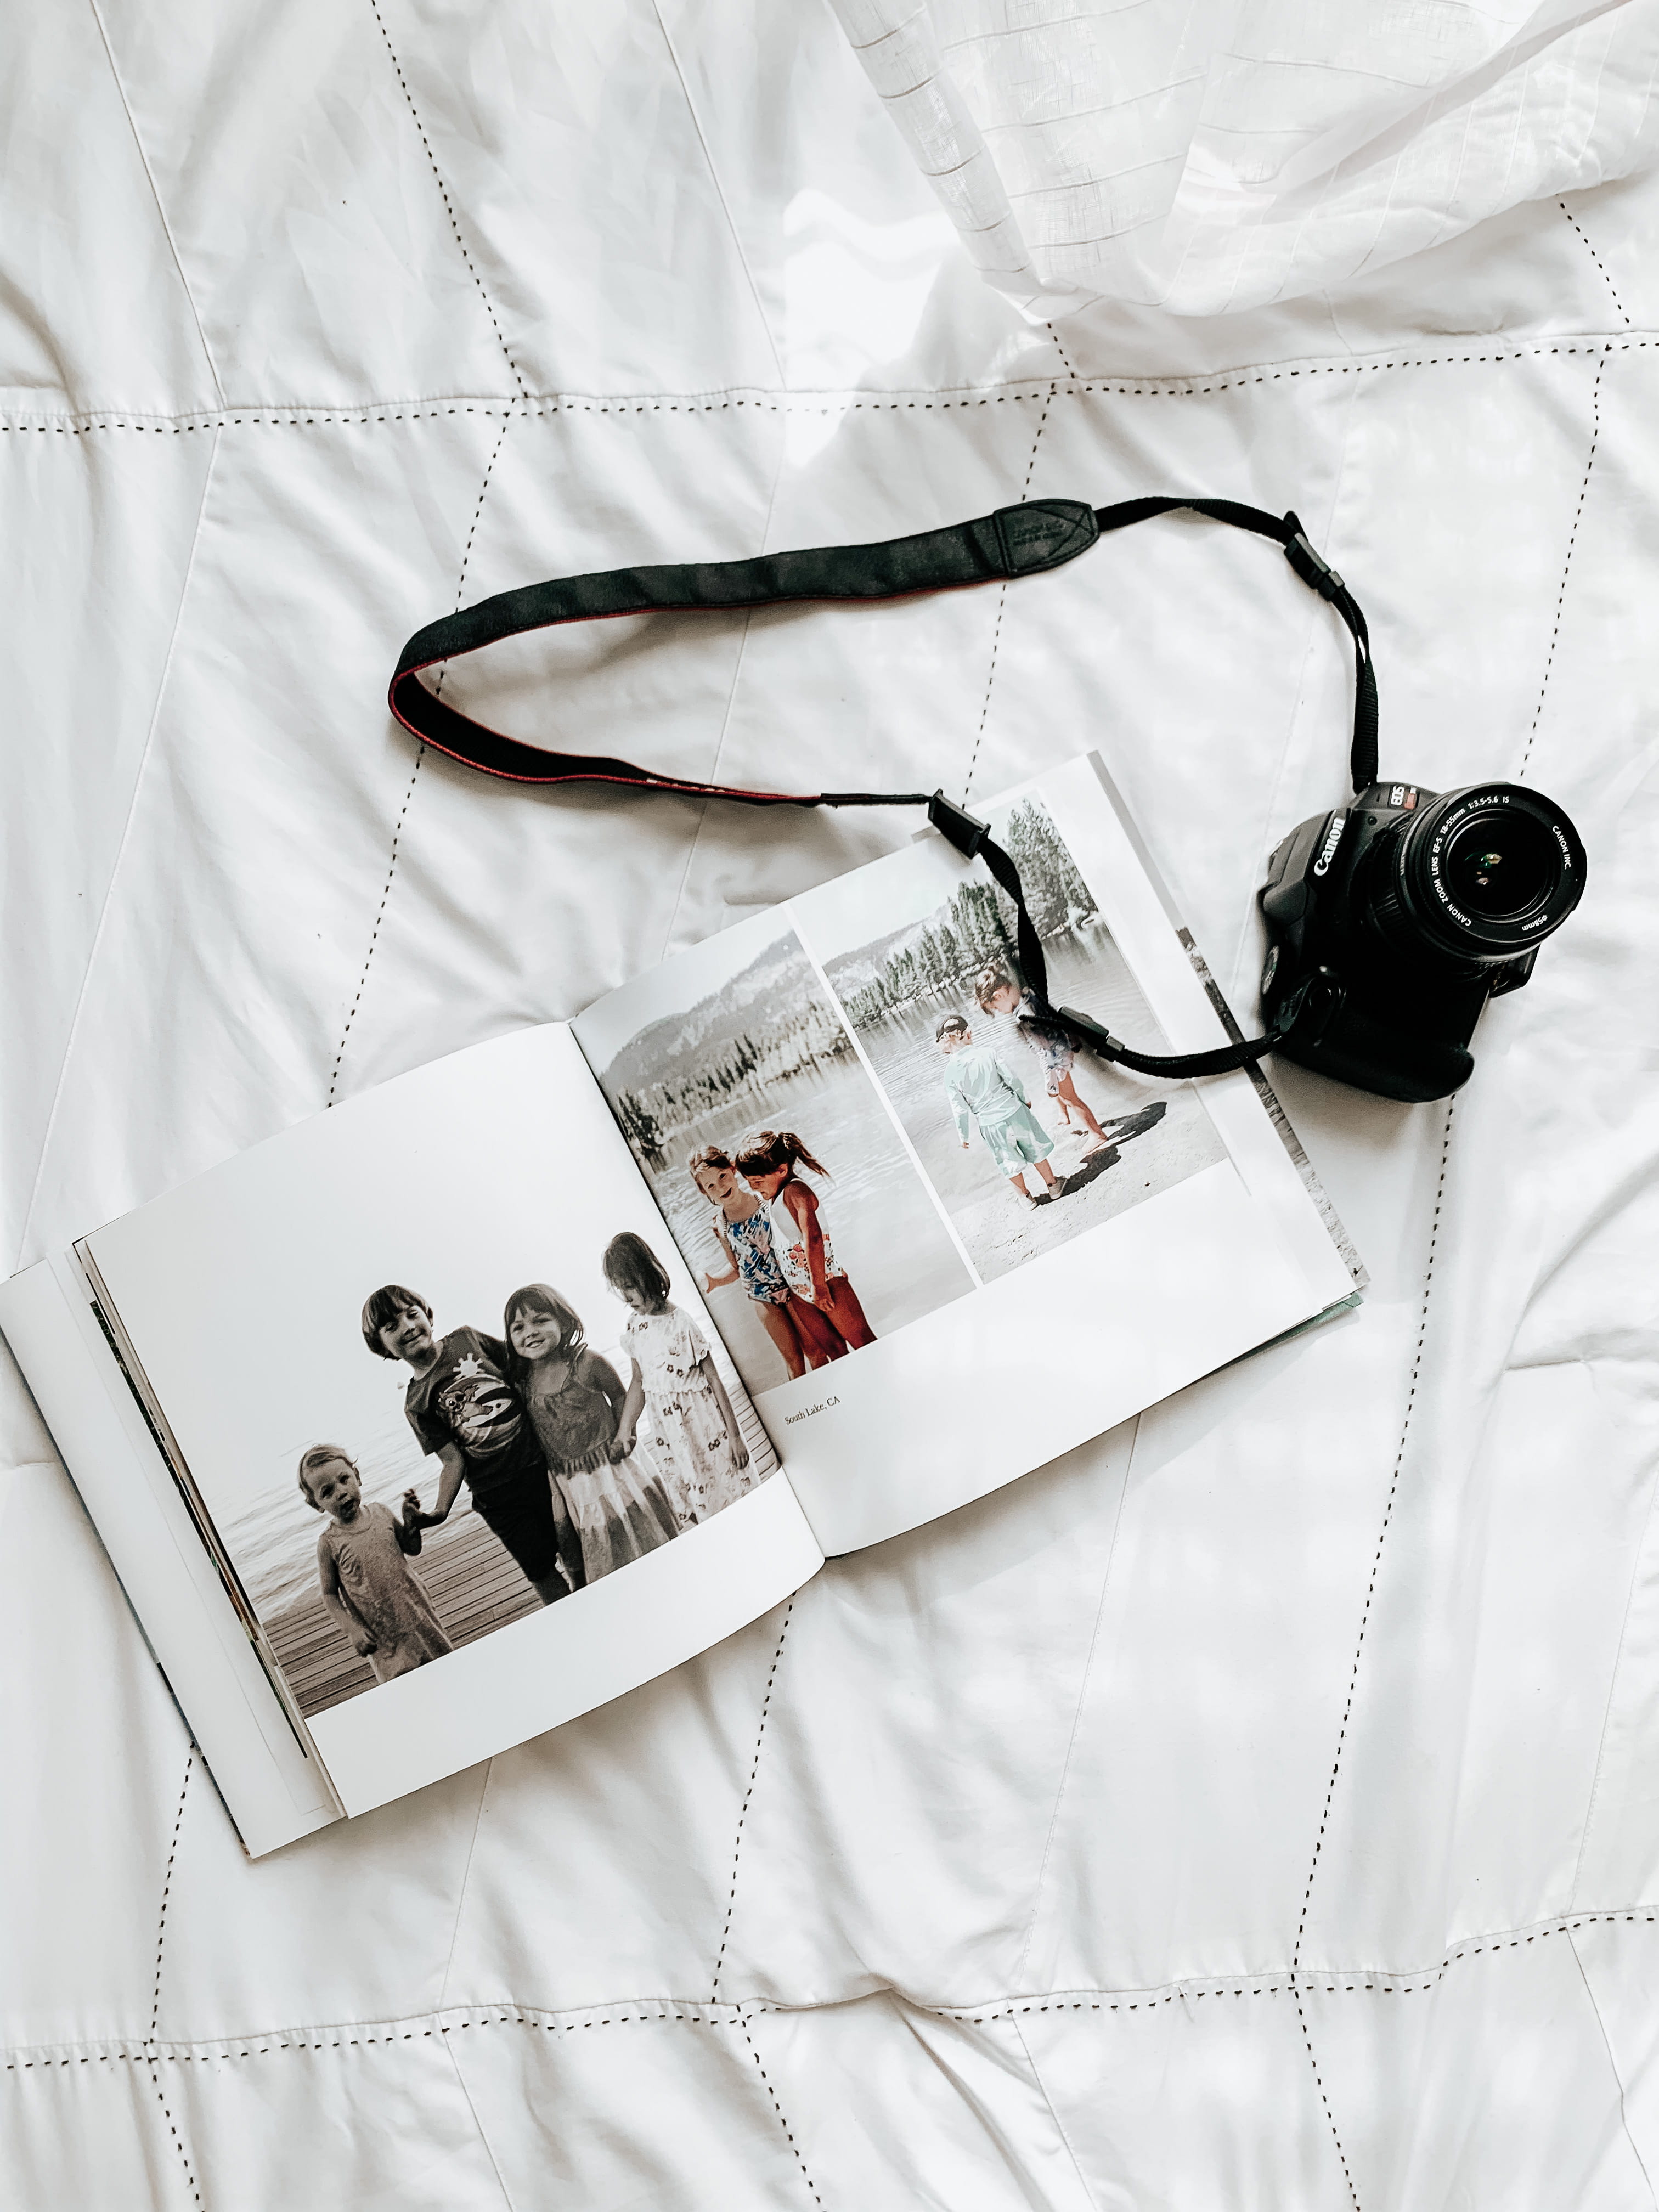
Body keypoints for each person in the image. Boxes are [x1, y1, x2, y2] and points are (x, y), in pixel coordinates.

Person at [361, 1284, 583, 1606]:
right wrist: (439, 1510)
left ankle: (592, 1599)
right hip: (499, 1497)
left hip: (544, 1466)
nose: (408, 1327)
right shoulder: (416, 1404)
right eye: (392, 1326)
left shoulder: (467, 1339)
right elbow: (453, 1461)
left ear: (428, 1316)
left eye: (412, 1314)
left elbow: (522, 1369)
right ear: (382, 1346)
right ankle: (571, 1616)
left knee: (575, 1547)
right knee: (539, 1570)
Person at [501, 1281, 682, 1581]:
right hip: (572, 1479)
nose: (529, 1332)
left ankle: (664, 1573)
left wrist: (626, 1433)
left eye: (540, 1320)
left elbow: (620, 1395)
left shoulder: (586, 1363)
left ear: (564, 1320)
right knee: (601, 1538)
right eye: (518, 1327)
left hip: (613, 1466)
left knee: (641, 1526)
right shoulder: (521, 1381)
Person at [602, 1232, 755, 1522]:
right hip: (671, 1433)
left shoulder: (681, 1323)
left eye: (631, 1287)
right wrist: (625, 1431)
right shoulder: (635, 1326)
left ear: (648, 1275)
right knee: (695, 1496)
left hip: (704, 1425)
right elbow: (638, 1383)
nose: (627, 1297)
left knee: (728, 1486)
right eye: (622, 1290)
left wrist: (735, 1437)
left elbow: (714, 1379)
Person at [297, 1444, 452, 1684]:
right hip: (383, 1634)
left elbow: (412, 1548)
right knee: (405, 1687)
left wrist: (411, 1522)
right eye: (328, 1492)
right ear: (317, 1504)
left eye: (344, 1480)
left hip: (416, 1612)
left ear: (357, 1477)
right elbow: (329, 1594)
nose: (341, 1492)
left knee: (446, 1667)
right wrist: (353, 1630)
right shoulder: (329, 1544)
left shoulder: (381, 1512)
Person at [689, 1146, 847, 1378]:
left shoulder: (766, 1203)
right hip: (761, 1295)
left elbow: (800, 1242)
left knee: (814, 1350)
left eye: (722, 1176)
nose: (721, 1187)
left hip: (793, 1286)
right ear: (706, 1194)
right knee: (793, 1360)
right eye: (711, 1186)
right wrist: (713, 1281)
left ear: (733, 1170)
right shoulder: (721, 1226)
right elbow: (737, 1268)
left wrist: (826, 1273)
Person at [732, 1127, 876, 1351]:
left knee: (864, 1342)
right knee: (834, 1350)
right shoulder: (774, 1196)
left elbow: (814, 1237)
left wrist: (819, 1286)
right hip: (800, 1290)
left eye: (758, 1181)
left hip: (826, 1281)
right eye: (749, 1182)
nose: (753, 1188)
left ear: (782, 1169)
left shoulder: (795, 1191)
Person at [975, 961, 1110, 1147]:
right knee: (1061, 1093)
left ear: (998, 996)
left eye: (996, 1008)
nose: (1000, 1012)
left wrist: (1050, 1076)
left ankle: (1097, 1134)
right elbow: (1054, 1015)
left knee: (1070, 1097)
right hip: (1063, 1049)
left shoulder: (1024, 1017)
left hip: (1056, 1059)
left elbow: (1044, 1049)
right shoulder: (1029, 996)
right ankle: (1066, 1116)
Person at [937, 1014, 1064, 1210]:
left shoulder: (949, 1074)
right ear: (965, 1034)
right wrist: (1025, 1099)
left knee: (1007, 1159)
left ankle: (1026, 1198)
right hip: (1013, 1109)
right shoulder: (988, 1052)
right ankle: (1053, 1186)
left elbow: (960, 1109)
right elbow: (1012, 1079)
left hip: (990, 1123)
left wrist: (964, 1135)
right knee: (1034, 1146)